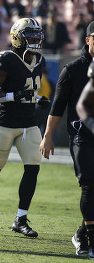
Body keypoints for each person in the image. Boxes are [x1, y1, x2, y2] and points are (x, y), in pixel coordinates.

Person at [0, 18, 50, 237]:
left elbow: (29, 89)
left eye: (36, 35)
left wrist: (38, 98)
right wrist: (15, 96)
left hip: (29, 122)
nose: (35, 39)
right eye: (30, 36)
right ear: (18, 37)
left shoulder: (39, 59)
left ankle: (20, 219)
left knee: (33, 167)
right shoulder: (7, 58)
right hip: (5, 122)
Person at [61, 21, 94, 258]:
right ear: (88, 39)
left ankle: (82, 234)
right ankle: (89, 238)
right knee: (89, 185)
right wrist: (47, 137)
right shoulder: (76, 70)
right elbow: (79, 106)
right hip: (83, 134)